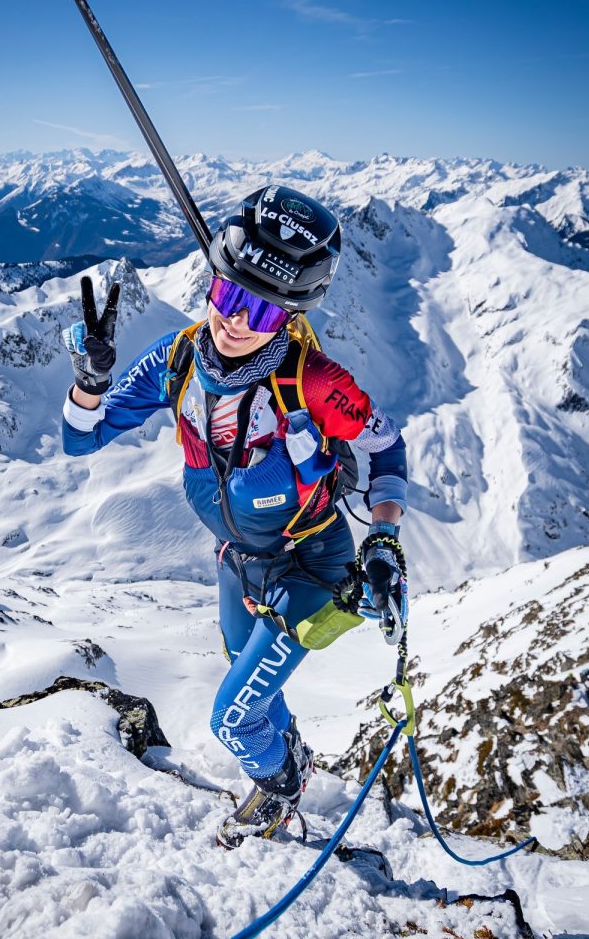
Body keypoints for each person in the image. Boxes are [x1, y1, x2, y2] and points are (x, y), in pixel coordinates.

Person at [60, 184, 408, 848]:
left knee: (233, 716)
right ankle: (291, 754)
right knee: (250, 686)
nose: (235, 319)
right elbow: (81, 437)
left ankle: (278, 791)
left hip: (312, 564)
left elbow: (384, 447)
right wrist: (90, 382)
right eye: (226, 294)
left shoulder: (314, 384)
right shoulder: (177, 360)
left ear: (289, 315)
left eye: (259, 308)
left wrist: (384, 537)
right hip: (238, 564)